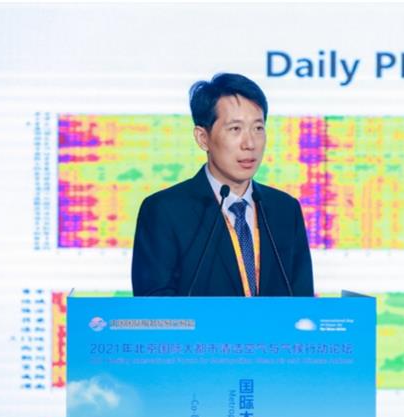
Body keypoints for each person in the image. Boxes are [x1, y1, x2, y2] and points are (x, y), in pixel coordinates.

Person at [132, 73, 314, 297]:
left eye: (258, 128)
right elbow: (154, 305)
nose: (250, 144)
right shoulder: (164, 211)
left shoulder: (285, 209)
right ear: (203, 138)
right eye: (235, 129)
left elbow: (302, 301)